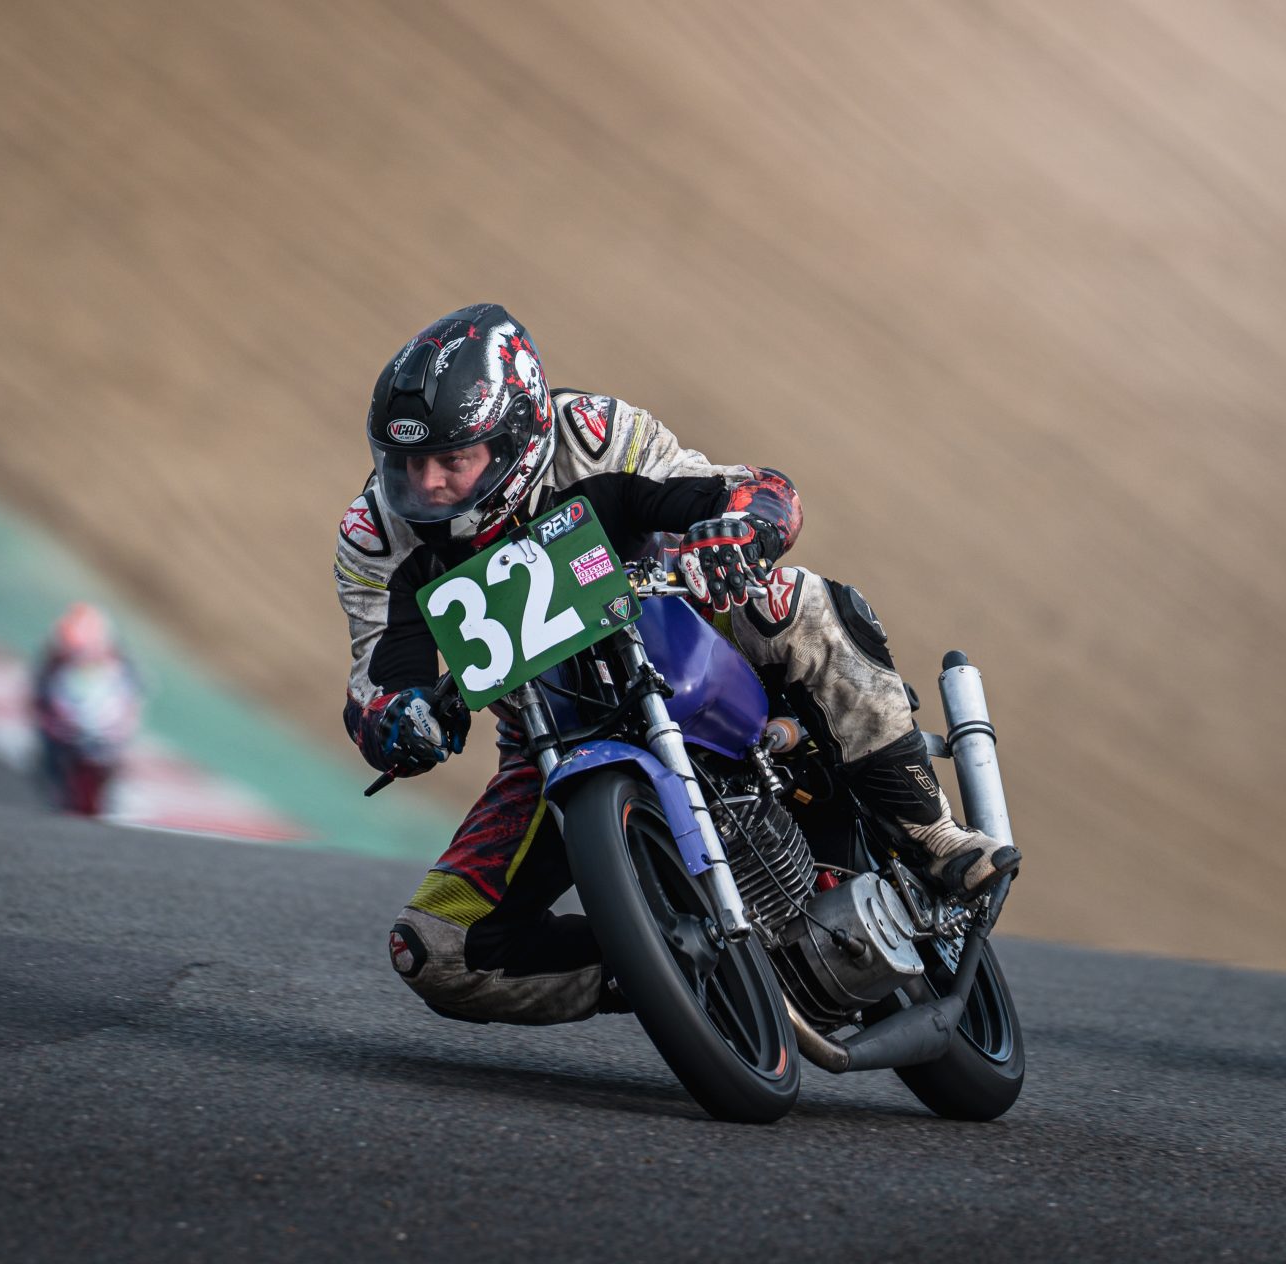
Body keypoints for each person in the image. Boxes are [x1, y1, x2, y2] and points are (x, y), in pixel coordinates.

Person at [335, 303, 1021, 1026]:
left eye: (452, 460)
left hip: (693, 631)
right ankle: (663, 961)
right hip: (543, 735)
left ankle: (931, 833)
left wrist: (744, 529)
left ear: (516, 439)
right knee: (433, 949)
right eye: (408, 464)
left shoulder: (594, 436)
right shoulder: (377, 537)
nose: (429, 485)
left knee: (797, 601)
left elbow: (748, 489)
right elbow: (378, 677)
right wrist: (396, 719)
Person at [28, 603, 142, 815]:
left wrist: (115, 733)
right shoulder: (54, 665)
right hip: (63, 738)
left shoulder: (120, 667)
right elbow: (40, 700)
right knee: (44, 768)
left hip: (103, 740)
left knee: (108, 779)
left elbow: (129, 703)